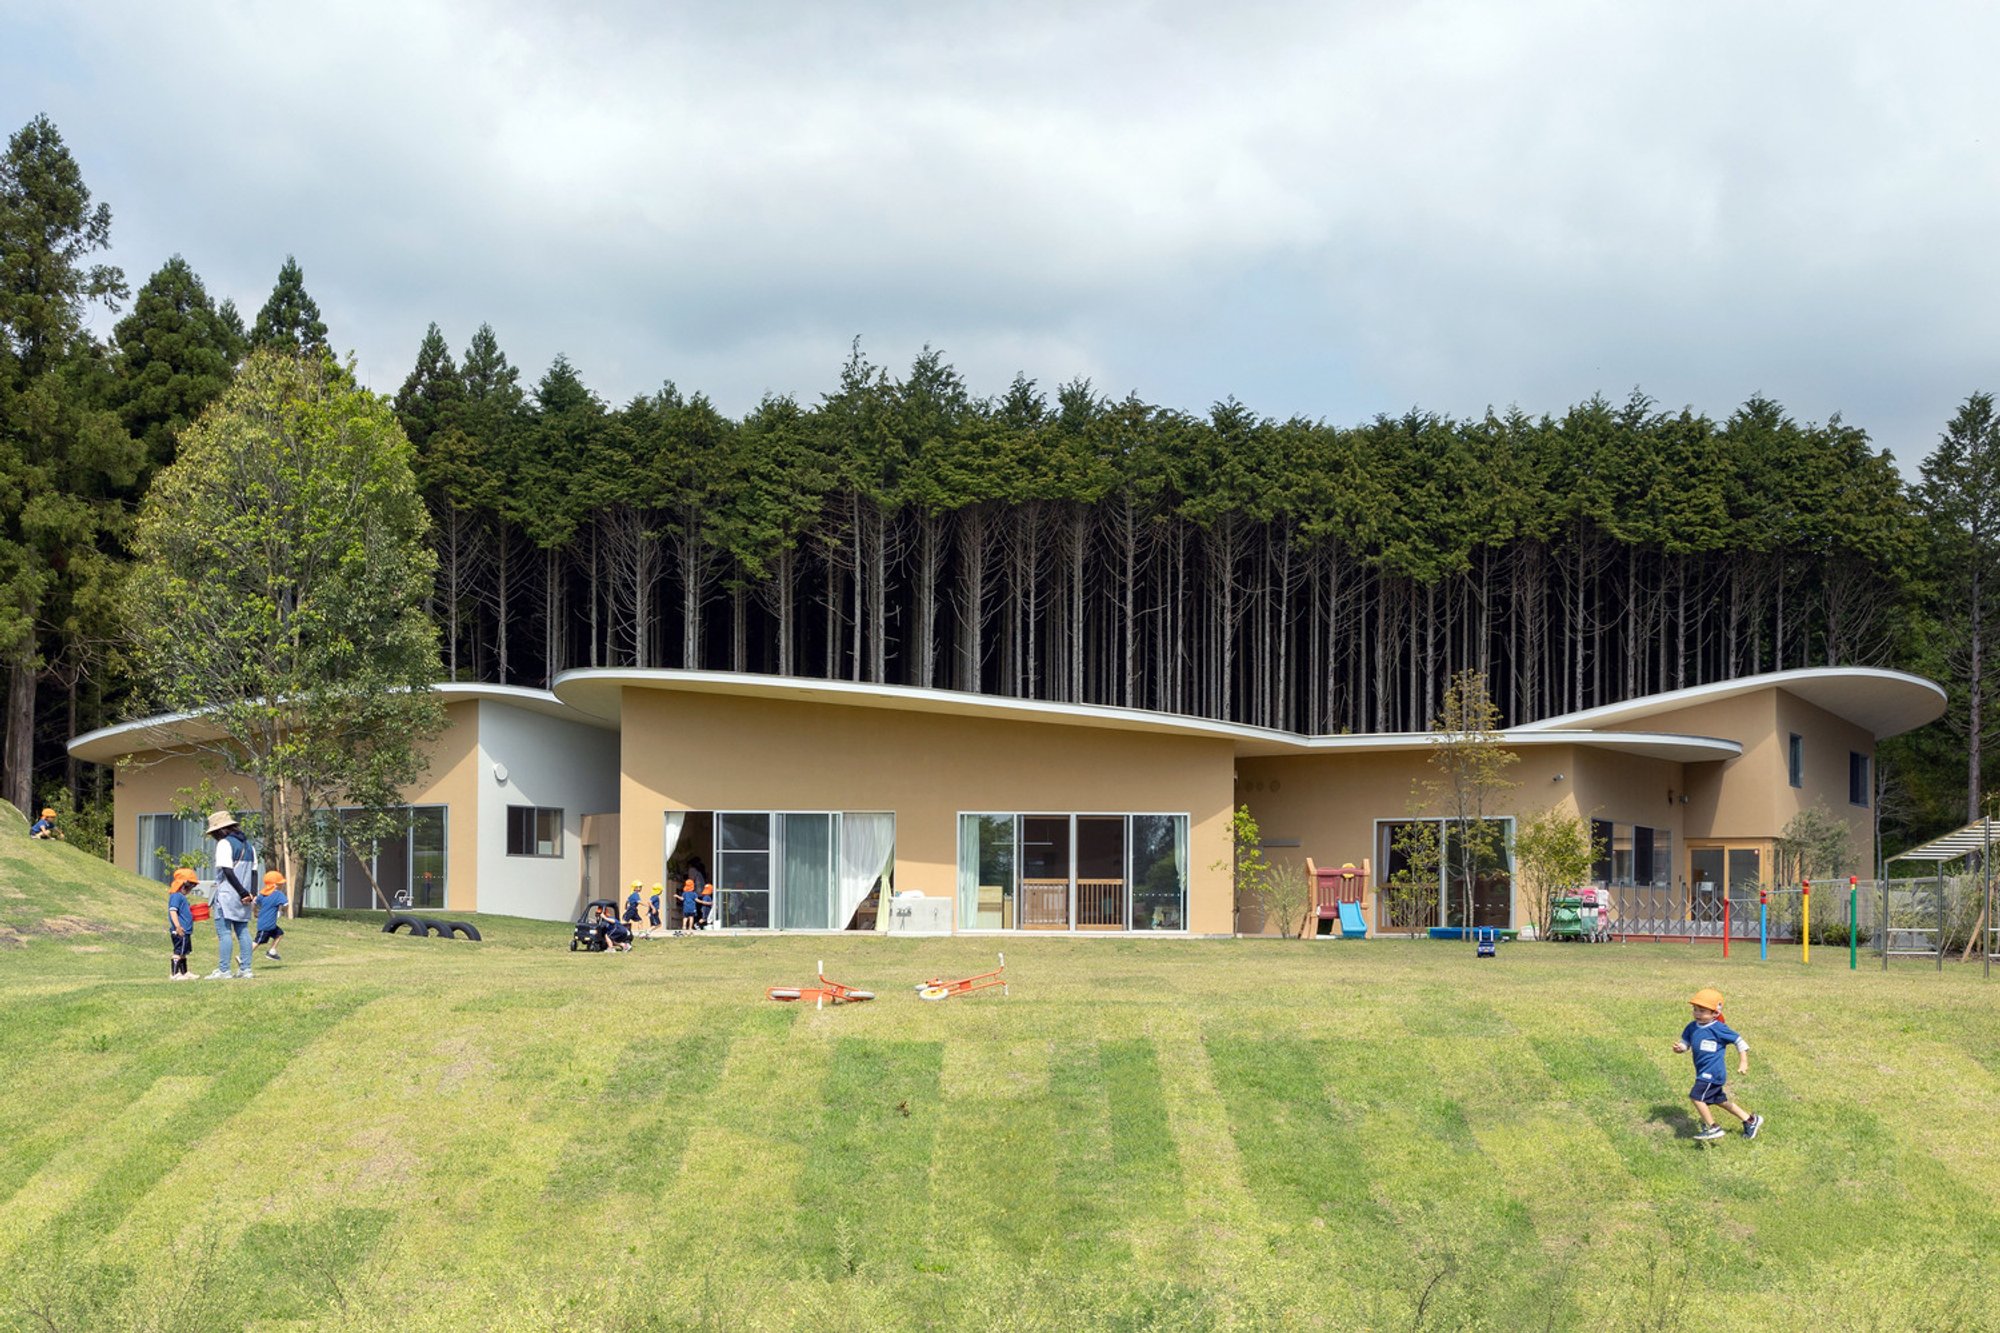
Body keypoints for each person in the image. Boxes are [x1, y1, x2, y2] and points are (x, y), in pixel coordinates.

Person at [1673, 988, 1763, 1141]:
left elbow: (1740, 1042)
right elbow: (1686, 1042)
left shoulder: (1719, 1028)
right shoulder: (1692, 1027)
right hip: (1702, 1071)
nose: (1697, 1013)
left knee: (1696, 1097)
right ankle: (1750, 1120)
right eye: (1695, 1009)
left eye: (1702, 1010)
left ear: (1715, 1013)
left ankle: (1712, 1127)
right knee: (1719, 1100)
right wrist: (1681, 1048)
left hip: (1713, 1072)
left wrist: (1743, 1062)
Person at [203, 809, 257, 980]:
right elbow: (254, 872)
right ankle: (246, 969)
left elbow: (227, 870)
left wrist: (240, 892)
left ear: (219, 831)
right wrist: (250, 893)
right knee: (243, 930)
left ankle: (224, 970)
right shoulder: (249, 846)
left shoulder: (224, 844)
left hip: (228, 894)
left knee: (224, 932)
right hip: (245, 896)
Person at [167, 868, 197, 979]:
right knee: (178, 951)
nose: (190, 890)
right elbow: (173, 911)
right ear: (183, 885)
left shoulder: (182, 897)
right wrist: (178, 926)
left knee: (184, 952)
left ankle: (184, 972)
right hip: (180, 930)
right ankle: (174, 974)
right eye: (189, 887)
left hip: (186, 931)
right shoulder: (176, 896)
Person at [256, 870, 289, 962]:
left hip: (267, 923)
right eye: (280, 883)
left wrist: (255, 912)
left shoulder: (262, 894)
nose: (282, 885)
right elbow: (286, 904)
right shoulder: (278, 894)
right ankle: (243, 957)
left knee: (279, 934)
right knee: (258, 941)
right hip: (267, 925)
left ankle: (272, 951)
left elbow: (255, 902)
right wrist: (283, 911)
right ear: (275, 885)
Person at [689, 856, 712, 929]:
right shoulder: (700, 870)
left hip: (697, 891)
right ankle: (701, 924)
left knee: (696, 909)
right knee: (702, 909)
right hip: (702, 891)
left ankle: (697, 924)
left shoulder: (692, 870)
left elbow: (691, 880)